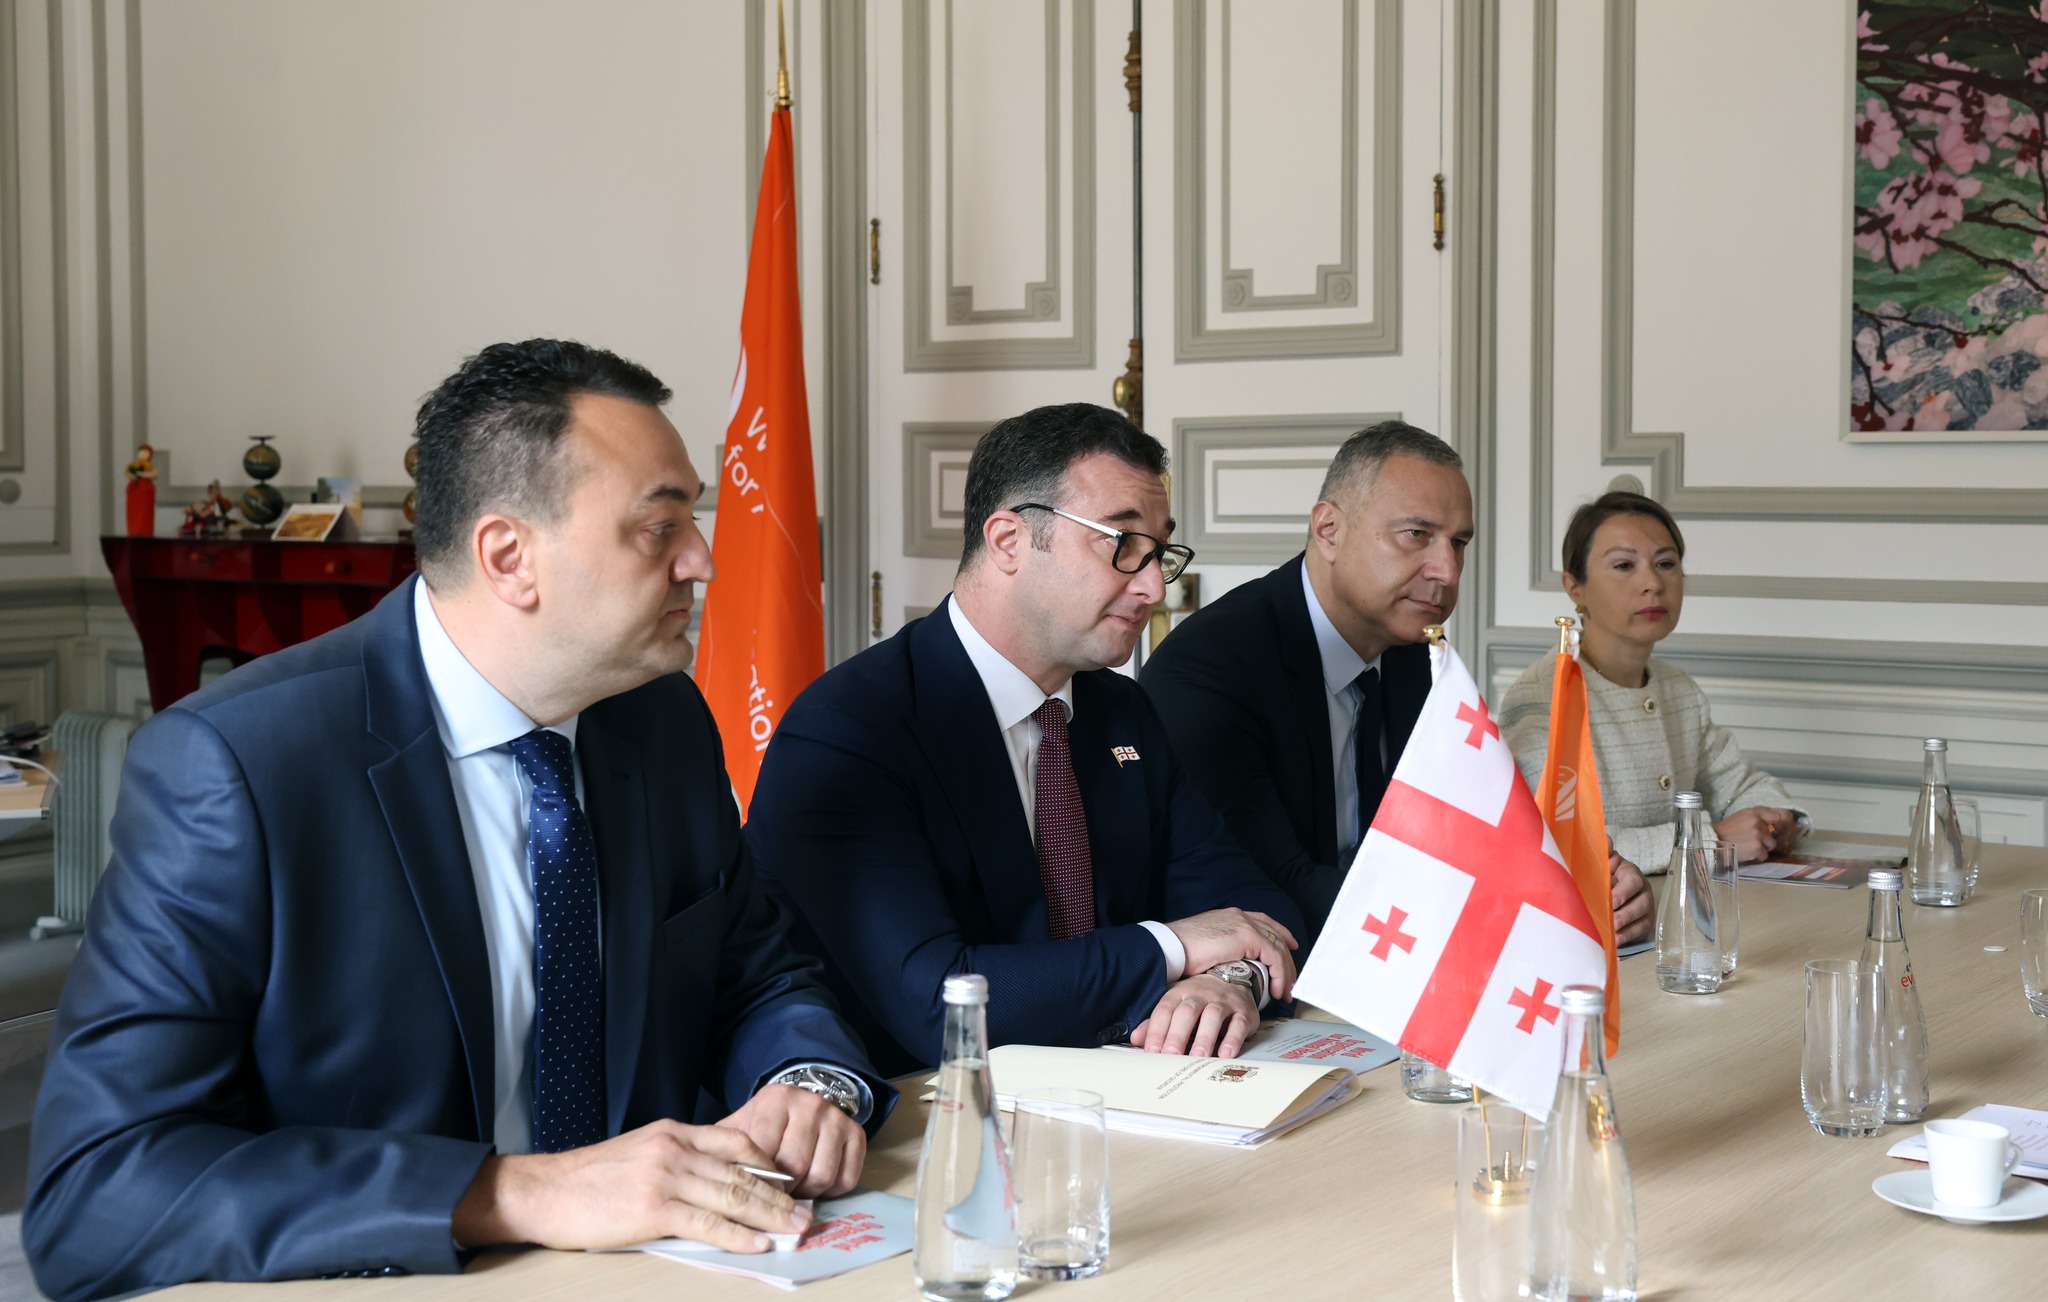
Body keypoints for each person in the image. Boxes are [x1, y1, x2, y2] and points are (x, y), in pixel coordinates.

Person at [24, 340, 894, 1301]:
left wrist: (809, 1080)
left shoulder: (662, 720)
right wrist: (515, 1194)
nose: (704, 559)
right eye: (660, 528)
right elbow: (95, 1191)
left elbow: (759, 973)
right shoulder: (239, 766)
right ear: (509, 558)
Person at [746, 403, 1305, 1079]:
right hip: (922, 1111)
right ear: (1009, 541)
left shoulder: (1121, 710)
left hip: (1122, 1092)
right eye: (1122, 544)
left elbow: (1251, 906)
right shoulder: (849, 729)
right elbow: (942, 1006)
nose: (1155, 586)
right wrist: (1174, 947)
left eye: (1160, 553)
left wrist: (1230, 979)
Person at [1142, 422, 1653, 949]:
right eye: (1416, 535)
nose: (1448, 571)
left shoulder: (1416, 654)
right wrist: (1521, 914)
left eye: (1458, 543)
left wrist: (1593, 889)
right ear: (1328, 530)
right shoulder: (1211, 667)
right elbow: (1273, 891)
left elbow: (1469, 839)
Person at [1498, 490, 1809, 870]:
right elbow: (1554, 840)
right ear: (1575, 587)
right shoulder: (1543, 696)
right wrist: (1710, 840)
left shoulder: (1677, 689)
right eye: (1624, 565)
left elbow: (1738, 785)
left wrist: (1776, 819)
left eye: (1665, 563)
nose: (1653, 583)